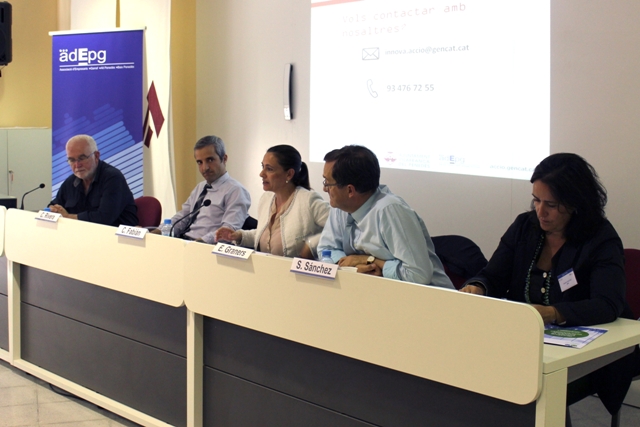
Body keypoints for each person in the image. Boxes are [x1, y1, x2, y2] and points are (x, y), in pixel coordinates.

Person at [460, 153, 638, 417]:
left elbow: (608, 304)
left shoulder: (600, 238)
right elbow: (494, 275)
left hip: (591, 356)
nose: (540, 212)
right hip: (527, 344)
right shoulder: (525, 226)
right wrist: (478, 287)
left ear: (575, 203)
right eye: (536, 200)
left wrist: (553, 313)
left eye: (551, 205)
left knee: (529, 389)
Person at [317, 145, 453, 288]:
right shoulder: (341, 206)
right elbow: (326, 249)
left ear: (350, 190)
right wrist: (349, 267)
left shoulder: (390, 210)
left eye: (328, 183)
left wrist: (369, 261)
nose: (324, 188)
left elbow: (418, 275)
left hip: (430, 299)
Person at [216, 145, 329, 258]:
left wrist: (311, 245)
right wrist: (238, 236)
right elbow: (266, 236)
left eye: (269, 169)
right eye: (263, 167)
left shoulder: (309, 200)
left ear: (289, 174)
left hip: (297, 274)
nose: (261, 174)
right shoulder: (266, 199)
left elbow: (337, 230)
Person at [167, 135, 250, 243]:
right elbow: (183, 217)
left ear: (224, 159)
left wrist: (198, 243)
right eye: (199, 162)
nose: (204, 168)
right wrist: (158, 232)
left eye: (210, 160)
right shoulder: (200, 187)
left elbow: (228, 231)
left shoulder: (236, 191)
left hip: (206, 248)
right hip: (185, 243)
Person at [49, 134, 138, 226]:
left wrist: (66, 217)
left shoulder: (113, 177)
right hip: (82, 235)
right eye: (72, 160)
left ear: (96, 156)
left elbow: (104, 218)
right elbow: (53, 205)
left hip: (117, 237)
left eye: (82, 158)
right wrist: (53, 210)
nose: (77, 165)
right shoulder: (71, 182)